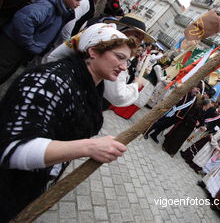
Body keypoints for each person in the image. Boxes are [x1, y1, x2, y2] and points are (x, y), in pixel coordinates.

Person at [0, 24, 134, 222]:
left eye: (128, 61)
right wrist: (89, 147)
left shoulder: (92, 85)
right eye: (119, 57)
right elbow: (12, 149)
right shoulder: (50, 81)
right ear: (93, 51)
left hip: (33, 181)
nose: (124, 67)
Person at [0, 0, 84, 85]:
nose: (78, 4)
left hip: (19, 47)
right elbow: (23, 21)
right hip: (13, 46)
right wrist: (30, 44)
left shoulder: (59, 8)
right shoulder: (47, 6)